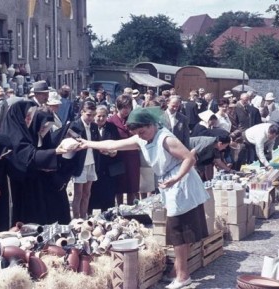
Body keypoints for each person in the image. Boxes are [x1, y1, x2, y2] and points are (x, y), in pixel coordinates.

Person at [79, 107, 209, 289]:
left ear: (151, 125)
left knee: (179, 231)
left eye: (142, 132)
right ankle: (179, 269)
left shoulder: (165, 138)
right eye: (137, 134)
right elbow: (112, 145)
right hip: (171, 184)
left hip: (182, 184)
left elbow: (189, 158)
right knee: (180, 230)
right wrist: (87, 143)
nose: (141, 136)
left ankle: (182, 276)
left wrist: (176, 178)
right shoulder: (142, 138)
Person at [108, 94, 140, 205]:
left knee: (132, 186)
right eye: (123, 107)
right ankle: (120, 208)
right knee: (119, 187)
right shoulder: (111, 121)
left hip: (132, 157)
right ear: (117, 107)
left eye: (128, 107)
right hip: (117, 158)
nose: (126, 110)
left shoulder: (134, 120)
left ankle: (130, 209)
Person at [70, 101, 100, 219]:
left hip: (91, 162)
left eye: (93, 115)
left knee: (87, 193)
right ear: (82, 112)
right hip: (80, 164)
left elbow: (96, 143)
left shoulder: (94, 126)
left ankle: (84, 217)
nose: (91, 118)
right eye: (88, 115)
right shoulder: (75, 125)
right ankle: (76, 219)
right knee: (78, 194)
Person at [89, 105, 120, 213]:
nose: (101, 119)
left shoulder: (112, 127)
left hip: (108, 166)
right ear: (94, 116)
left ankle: (107, 214)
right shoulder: (90, 127)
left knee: (107, 193)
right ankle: (89, 214)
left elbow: (117, 143)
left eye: (104, 116)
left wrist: (114, 152)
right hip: (94, 164)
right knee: (92, 192)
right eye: (99, 116)